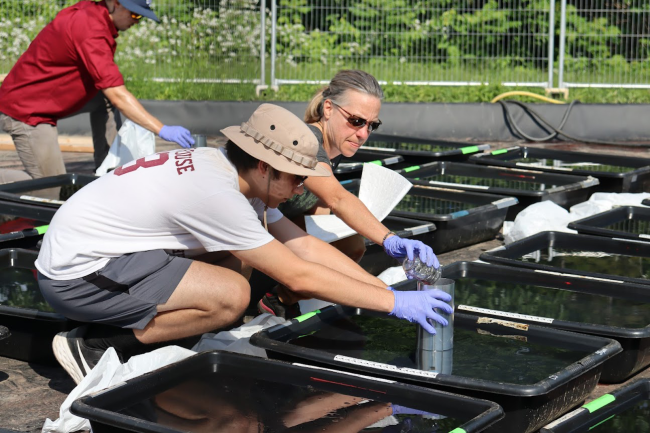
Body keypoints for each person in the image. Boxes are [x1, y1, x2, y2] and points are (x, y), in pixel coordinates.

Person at [35, 103, 452, 385]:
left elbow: (302, 246)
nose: (301, 188)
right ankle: (96, 345)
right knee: (231, 297)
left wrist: (388, 282)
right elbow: (297, 275)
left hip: (105, 253)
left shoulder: (230, 171)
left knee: (240, 264)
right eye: (294, 177)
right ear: (262, 165)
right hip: (77, 275)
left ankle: (140, 323)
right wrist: (395, 306)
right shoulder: (219, 196)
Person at [258, 69, 439, 319]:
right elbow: (337, 198)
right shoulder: (305, 140)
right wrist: (389, 240)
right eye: (356, 121)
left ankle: (279, 298)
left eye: (371, 125)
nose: (363, 134)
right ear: (329, 109)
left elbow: (323, 200)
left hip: (278, 219)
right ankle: (267, 293)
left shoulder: (336, 144)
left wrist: (386, 294)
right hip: (256, 222)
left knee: (351, 244)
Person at [0, 0, 194, 199]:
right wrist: (161, 129)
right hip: (27, 111)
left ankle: (108, 171)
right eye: (135, 15)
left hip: (45, 99)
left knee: (104, 98)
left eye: (142, 16)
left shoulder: (95, 17)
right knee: (50, 190)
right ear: (115, 4)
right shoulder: (90, 28)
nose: (137, 21)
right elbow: (118, 95)